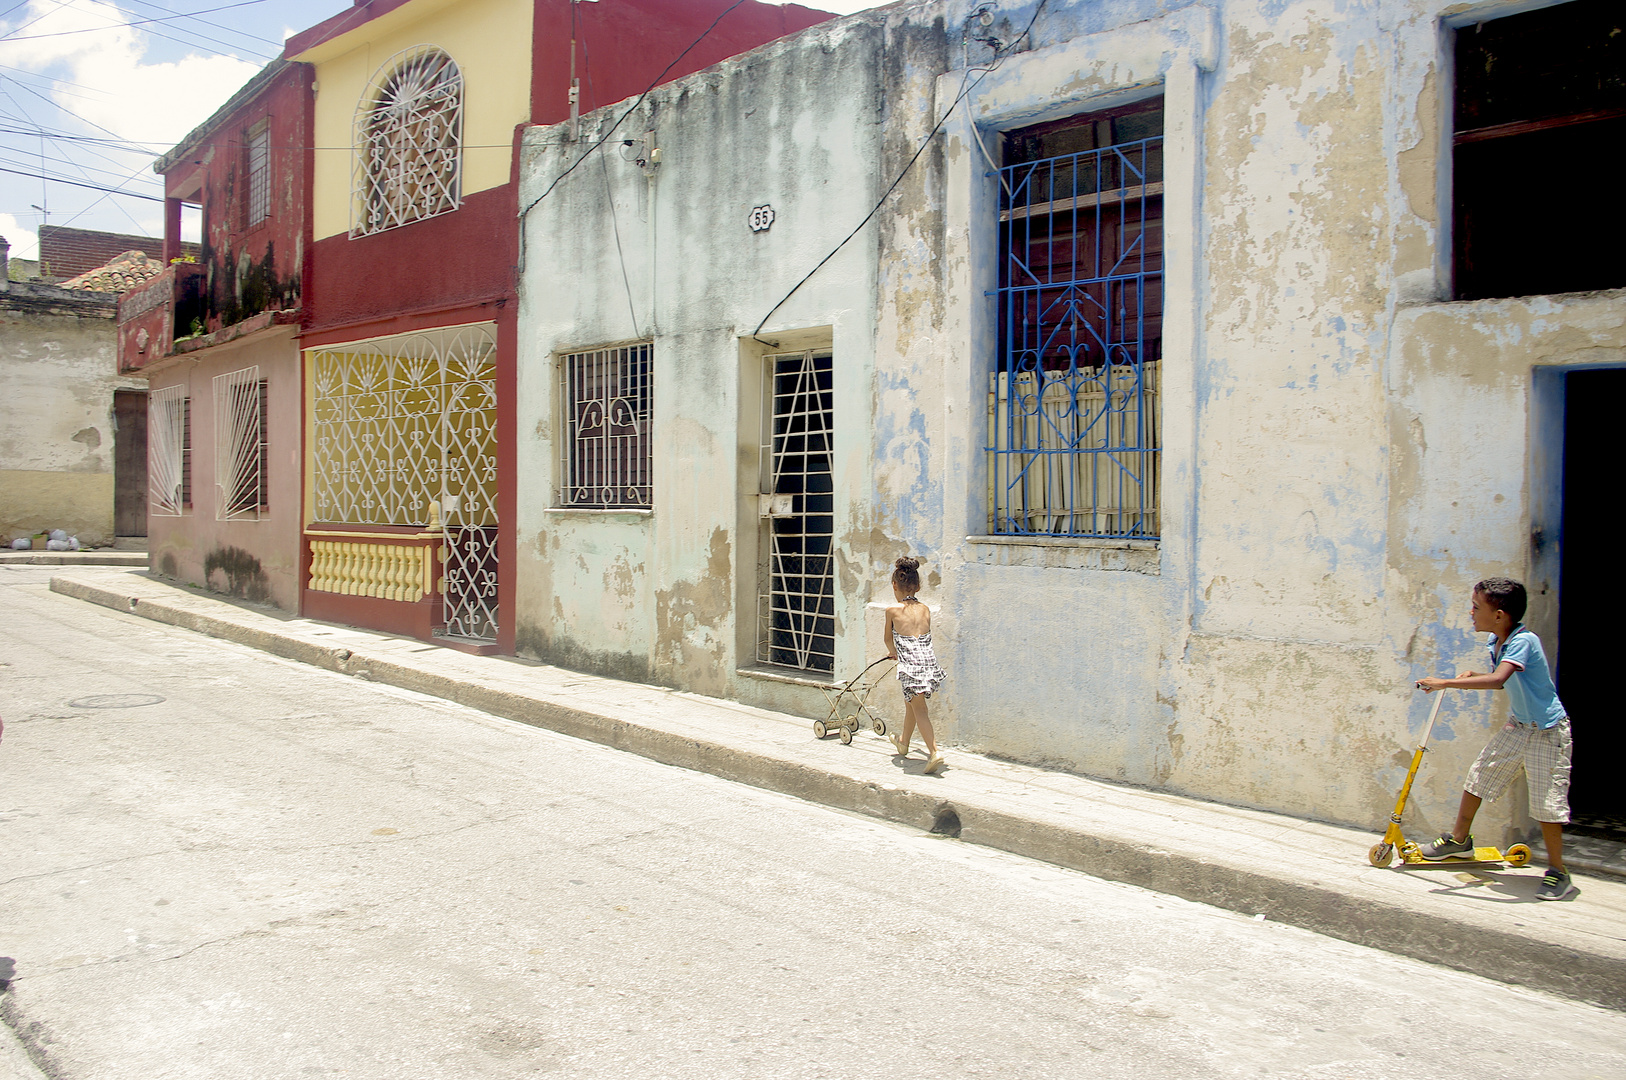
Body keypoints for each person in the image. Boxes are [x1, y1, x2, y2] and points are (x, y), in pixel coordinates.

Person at [1415, 577, 1575, 901]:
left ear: (1500, 615)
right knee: (1480, 776)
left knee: (1546, 803)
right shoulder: (1497, 640)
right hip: (1520, 726)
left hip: (1548, 732)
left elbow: (1500, 678)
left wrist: (1446, 682)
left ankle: (1559, 871)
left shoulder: (1524, 641)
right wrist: (1474, 675)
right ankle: (1459, 841)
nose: (1471, 612)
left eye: (1476, 607)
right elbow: (1505, 680)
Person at [884, 556, 947, 774]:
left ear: (895, 585)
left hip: (911, 667)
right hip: (928, 664)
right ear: (918, 586)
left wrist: (893, 652)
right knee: (910, 703)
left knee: (920, 709)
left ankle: (934, 751)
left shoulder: (892, 611)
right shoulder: (926, 609)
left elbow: (887, 639)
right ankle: (903, 742)